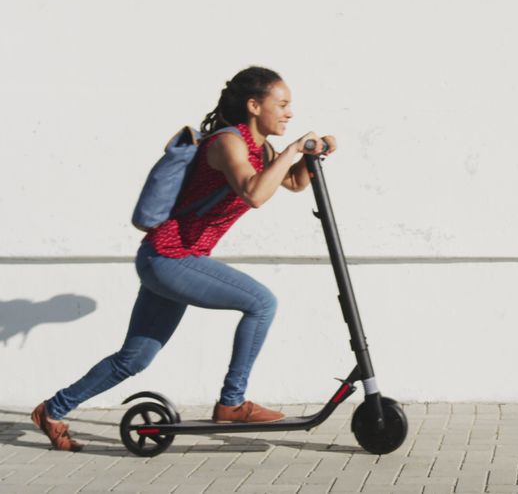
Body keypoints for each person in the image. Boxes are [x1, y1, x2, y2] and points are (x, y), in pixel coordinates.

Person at [31, 66, 336, 451]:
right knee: (261, 303)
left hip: (170, 258)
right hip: (171, 256)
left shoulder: (262, 149)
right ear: (254, 105)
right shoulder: (228, 143)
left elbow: (290, 183)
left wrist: (314, 156)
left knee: (134, 359)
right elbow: (255, 194)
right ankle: (232, 402)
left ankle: (53, 410)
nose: (290, 113)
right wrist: (294, 150)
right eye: (283, 104)